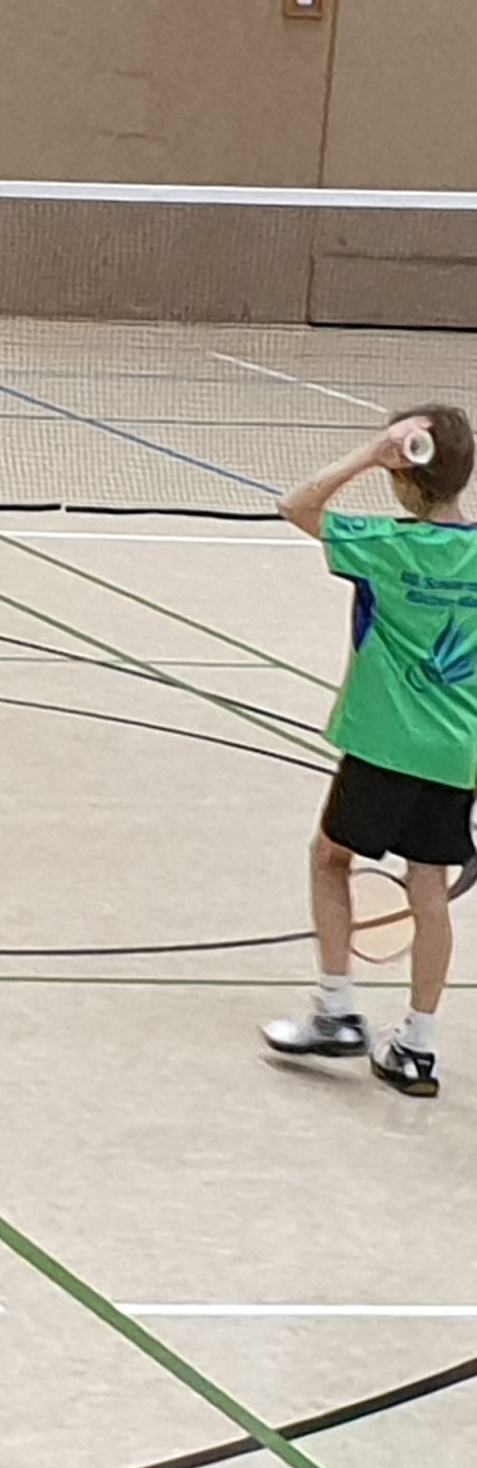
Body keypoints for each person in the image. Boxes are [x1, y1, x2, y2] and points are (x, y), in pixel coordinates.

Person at [262, 408, 477, 1098]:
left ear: (403, 473)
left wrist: (367, 454)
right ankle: (417, 1047)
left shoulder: (384, 543)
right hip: (457, 753)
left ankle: (336, 1012)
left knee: (330, 858)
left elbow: (296, 505)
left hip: (385, 744)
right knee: (429, 887)